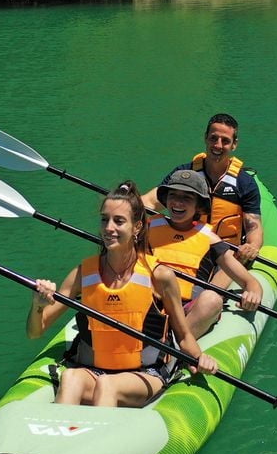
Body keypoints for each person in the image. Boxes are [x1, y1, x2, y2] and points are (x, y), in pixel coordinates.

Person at [28, 181, 218, 408]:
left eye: (119, 221)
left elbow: (184, 337)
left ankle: (95, 439)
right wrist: (38, 305)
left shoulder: (160, 276)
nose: (109, 228)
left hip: (144, 373)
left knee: (108, 384)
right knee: (70, 377)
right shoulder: (83, 273)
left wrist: (199, 359)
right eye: (104, 219)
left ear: (137, 227)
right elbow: (35, 332)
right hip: (92, 370)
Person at [145, 169, 262, 338]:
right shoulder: (147, 228)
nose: (178, 203)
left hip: (187, 310)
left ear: (199, 206)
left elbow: (248, 282)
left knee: (212, 300)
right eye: (173, 196)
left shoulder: (210, 239)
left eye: (186, 198)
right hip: (149, 304)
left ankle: (176, 346)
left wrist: (254, 292)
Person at [142, 113, 264, 263]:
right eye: (213, 138)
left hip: (226, 253)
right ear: (206, 137)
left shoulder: (245, 183)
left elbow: (253, 225)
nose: (218, 145)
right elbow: (149, 202)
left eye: (225, 141)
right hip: (187, 246)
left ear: (234, 144)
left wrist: (252, 245)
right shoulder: (184, 175)